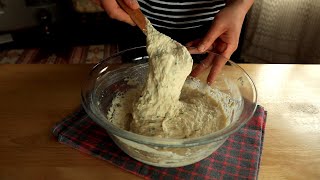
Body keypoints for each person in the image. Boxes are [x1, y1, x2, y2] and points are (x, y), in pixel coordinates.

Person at [97, 0, 254, 84]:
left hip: (215, 26)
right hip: (137, 20)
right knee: (135, 80)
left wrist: (240, 5)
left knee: (212, 82)